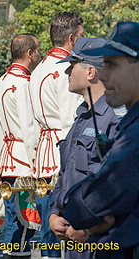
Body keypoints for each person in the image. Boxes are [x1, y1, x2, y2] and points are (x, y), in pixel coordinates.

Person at [63, 21, 139, 259]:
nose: (103, 75)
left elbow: (85, 203)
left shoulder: (135, 135)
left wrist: (87, 211)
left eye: (112, 65)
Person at [48, 37, 123, 258]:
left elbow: (116, 183)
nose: (66, 73)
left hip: (99, 238)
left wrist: (89, 228)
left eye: (72, 67)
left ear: (90, 72)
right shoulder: (82, 116)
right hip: (72, 232)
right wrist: (54, 212)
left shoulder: (115, 118)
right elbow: (67, 171)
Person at [28, 11, 84, 258]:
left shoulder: (38, 68)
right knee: (65, 230)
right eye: (82, 36)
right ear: (71, 38)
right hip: (60, 154)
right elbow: (70, 120)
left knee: (48, 233)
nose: (84, 40)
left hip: (42, 152)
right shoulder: (66, 69)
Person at [0, 33, 41, 259]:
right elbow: (29, 127)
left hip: (7, 157)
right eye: (38, 50)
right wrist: (37, 163)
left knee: (13, 219)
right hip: (23, 159)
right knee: (24, 222)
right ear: (29, 53)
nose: (40, 54)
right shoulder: (23, 83)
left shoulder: (1, 81)